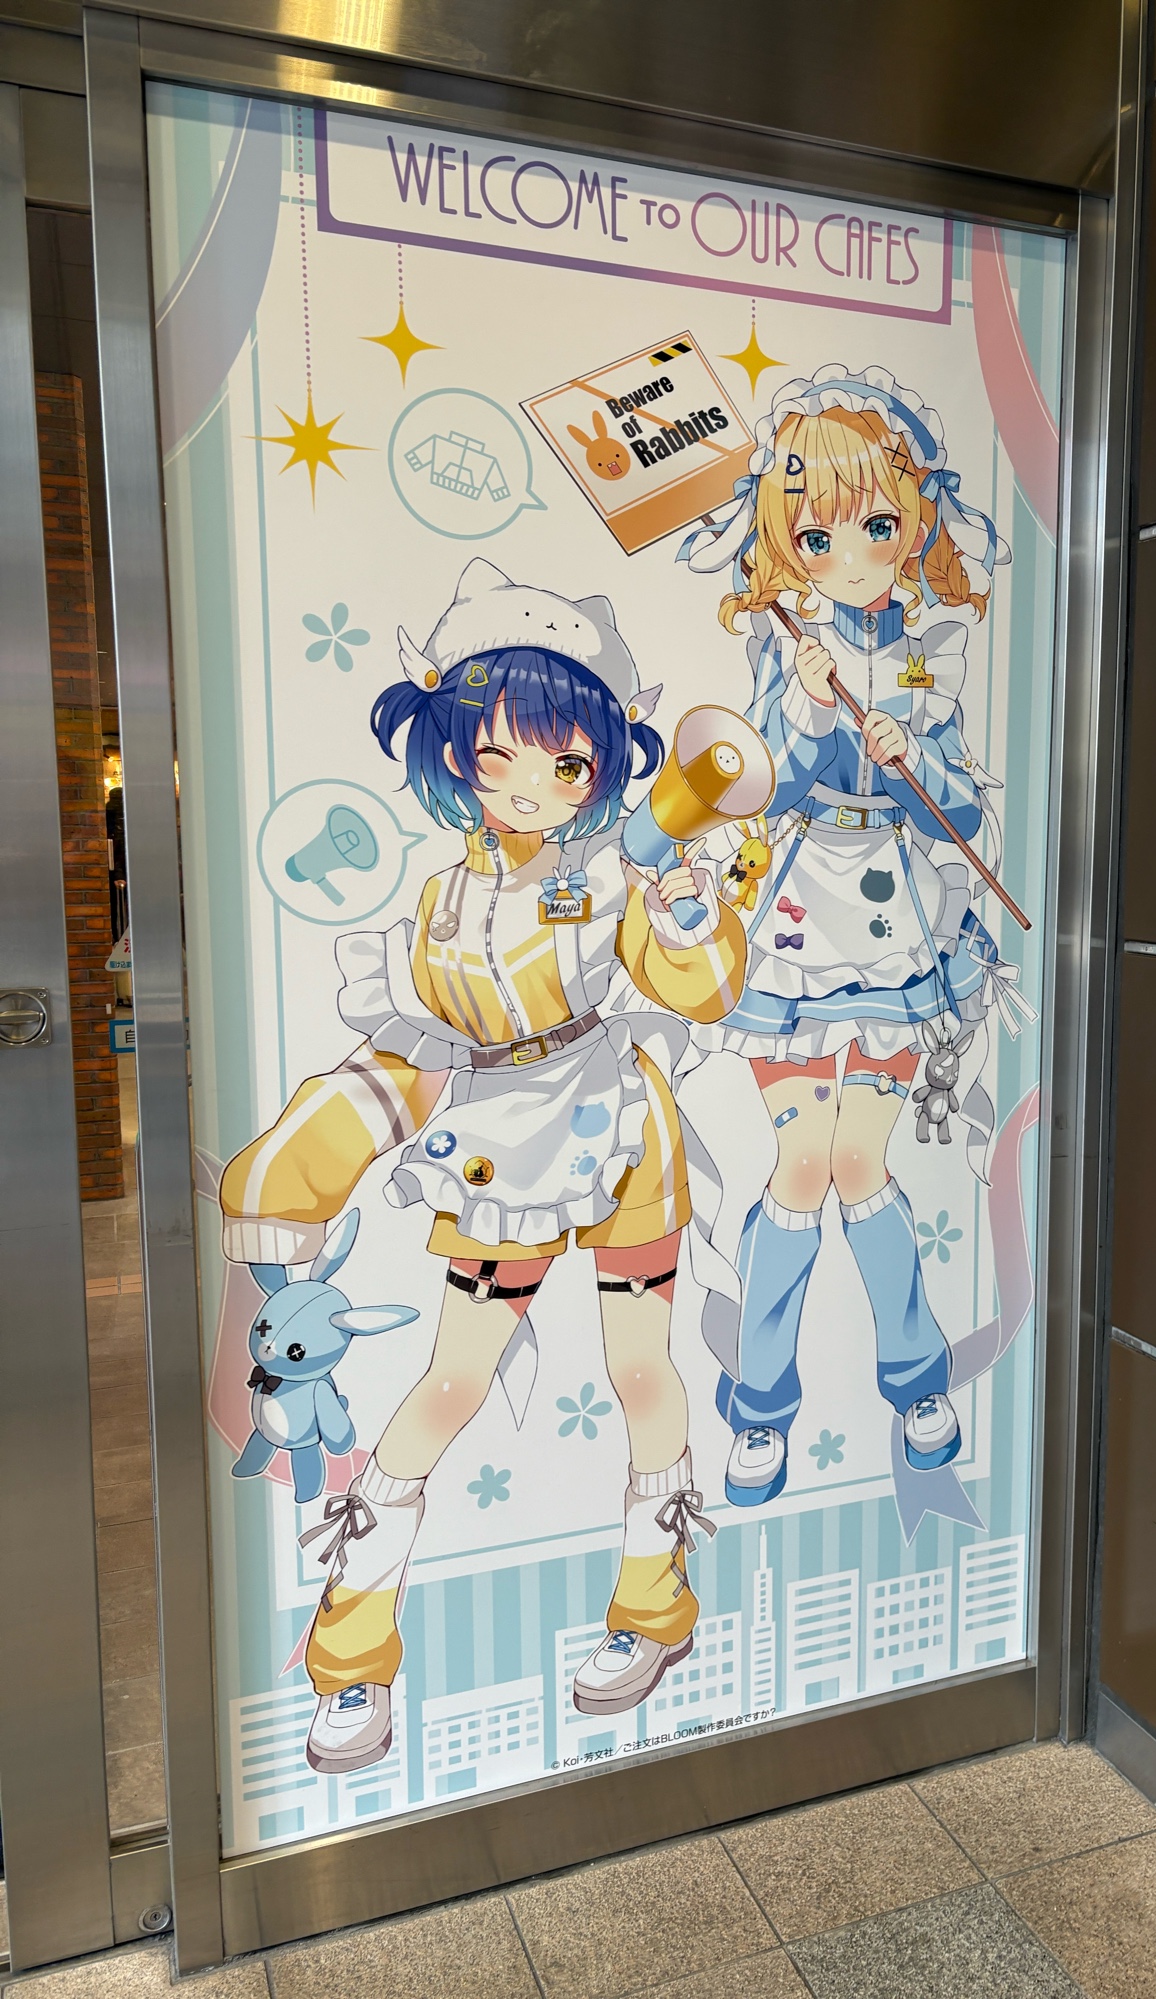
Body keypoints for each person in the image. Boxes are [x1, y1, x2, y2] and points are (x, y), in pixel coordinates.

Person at [218, 561, 746, 1772]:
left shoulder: (618, 870)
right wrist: (312, 1160)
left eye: (568, 764)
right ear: (455, 755)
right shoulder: (442, 902)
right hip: (499, 1153)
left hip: (622, 1136)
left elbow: (702, 990)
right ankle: (351, 1656)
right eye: (499, 755)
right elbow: (413, 1048)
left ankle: (653, 1604)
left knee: (641, 1368)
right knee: (449, 1385)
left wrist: (684, 916)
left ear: (600, 765)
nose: (532, 786)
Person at [678, 365, 1033, 1507]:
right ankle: (763, 1407)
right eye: (817, 533)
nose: (851, 554)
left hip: (897, 929)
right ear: (788, 542)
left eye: (877, 524)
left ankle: (917, 1384)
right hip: (797, 924)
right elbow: (764, 782)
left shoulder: (932, 645)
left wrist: (910, 753)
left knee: (858, 1164)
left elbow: (960, 807)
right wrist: (807, 700)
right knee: (800, 1164)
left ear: (914, 519)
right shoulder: (786, 646)